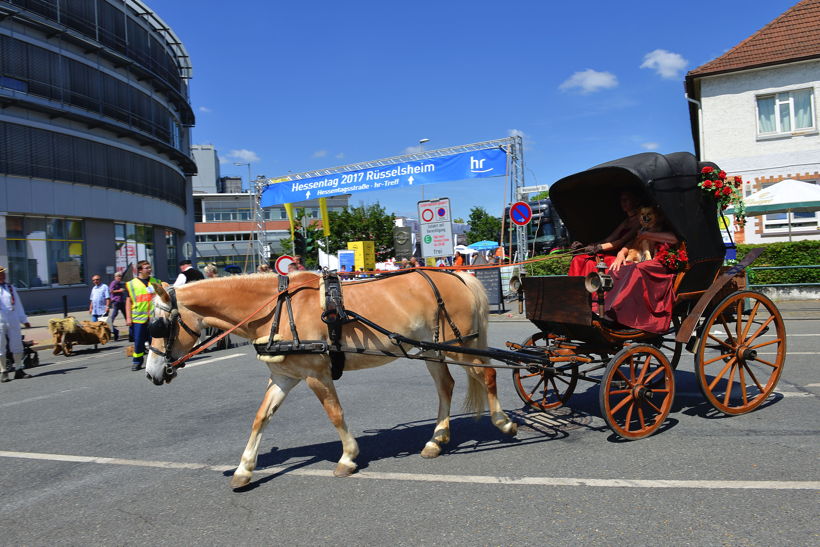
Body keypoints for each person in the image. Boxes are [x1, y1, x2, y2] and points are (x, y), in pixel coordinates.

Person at [603, 228, 680, 333]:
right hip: (647, 258)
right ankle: (608, 308)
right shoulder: (643, 227)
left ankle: (620, 313)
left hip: (664, 261)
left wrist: (647, 234)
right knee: (619, 269)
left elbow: (675, 238)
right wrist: (621, 253)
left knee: (639, 268)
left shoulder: (665, 225)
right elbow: (633, 242)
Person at [568, 190, 642, 277]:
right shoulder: (626, 221)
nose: (623, 202)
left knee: (590, 263)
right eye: (621, 200)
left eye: (626, 199)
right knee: (578, 259)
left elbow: (621, 241)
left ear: (636, 201)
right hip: (613, 252)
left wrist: (598, 248)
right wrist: (585, 247)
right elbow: (608, 239)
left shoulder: (640, 221)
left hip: (626, 255)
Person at [125, 260, 161, 371]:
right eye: (147, 268)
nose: (149, 270)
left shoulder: (156, 281)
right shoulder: (131, 284)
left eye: (150, 267)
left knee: (155, 341)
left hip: (154, 317)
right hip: (138, 319)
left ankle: (156, 361)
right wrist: (128, 317)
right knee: (138, 342)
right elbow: (128, 301)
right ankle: (137, 362)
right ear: (140, 270)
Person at [0, 266, 32, 382]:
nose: (2, 275)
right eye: (0, 274)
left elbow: (18, 305)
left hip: (12, 318)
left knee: (17, 344)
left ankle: (19, 370)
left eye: (3, 273)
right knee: (0, 346)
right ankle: (3, 372)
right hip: (0, 320)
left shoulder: (10, 287)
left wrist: (24, 320)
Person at [108, 272, 125, 341]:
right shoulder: (114, 283)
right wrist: (119, 290)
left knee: (126, 315)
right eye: (118, 276)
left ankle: (132, 333)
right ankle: (110, 326)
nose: (119, 277)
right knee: (114, 315)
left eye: (120, 276)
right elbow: (111, 291)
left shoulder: (120, 283)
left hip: (121, 301)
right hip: (116, 301)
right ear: (115, 277)